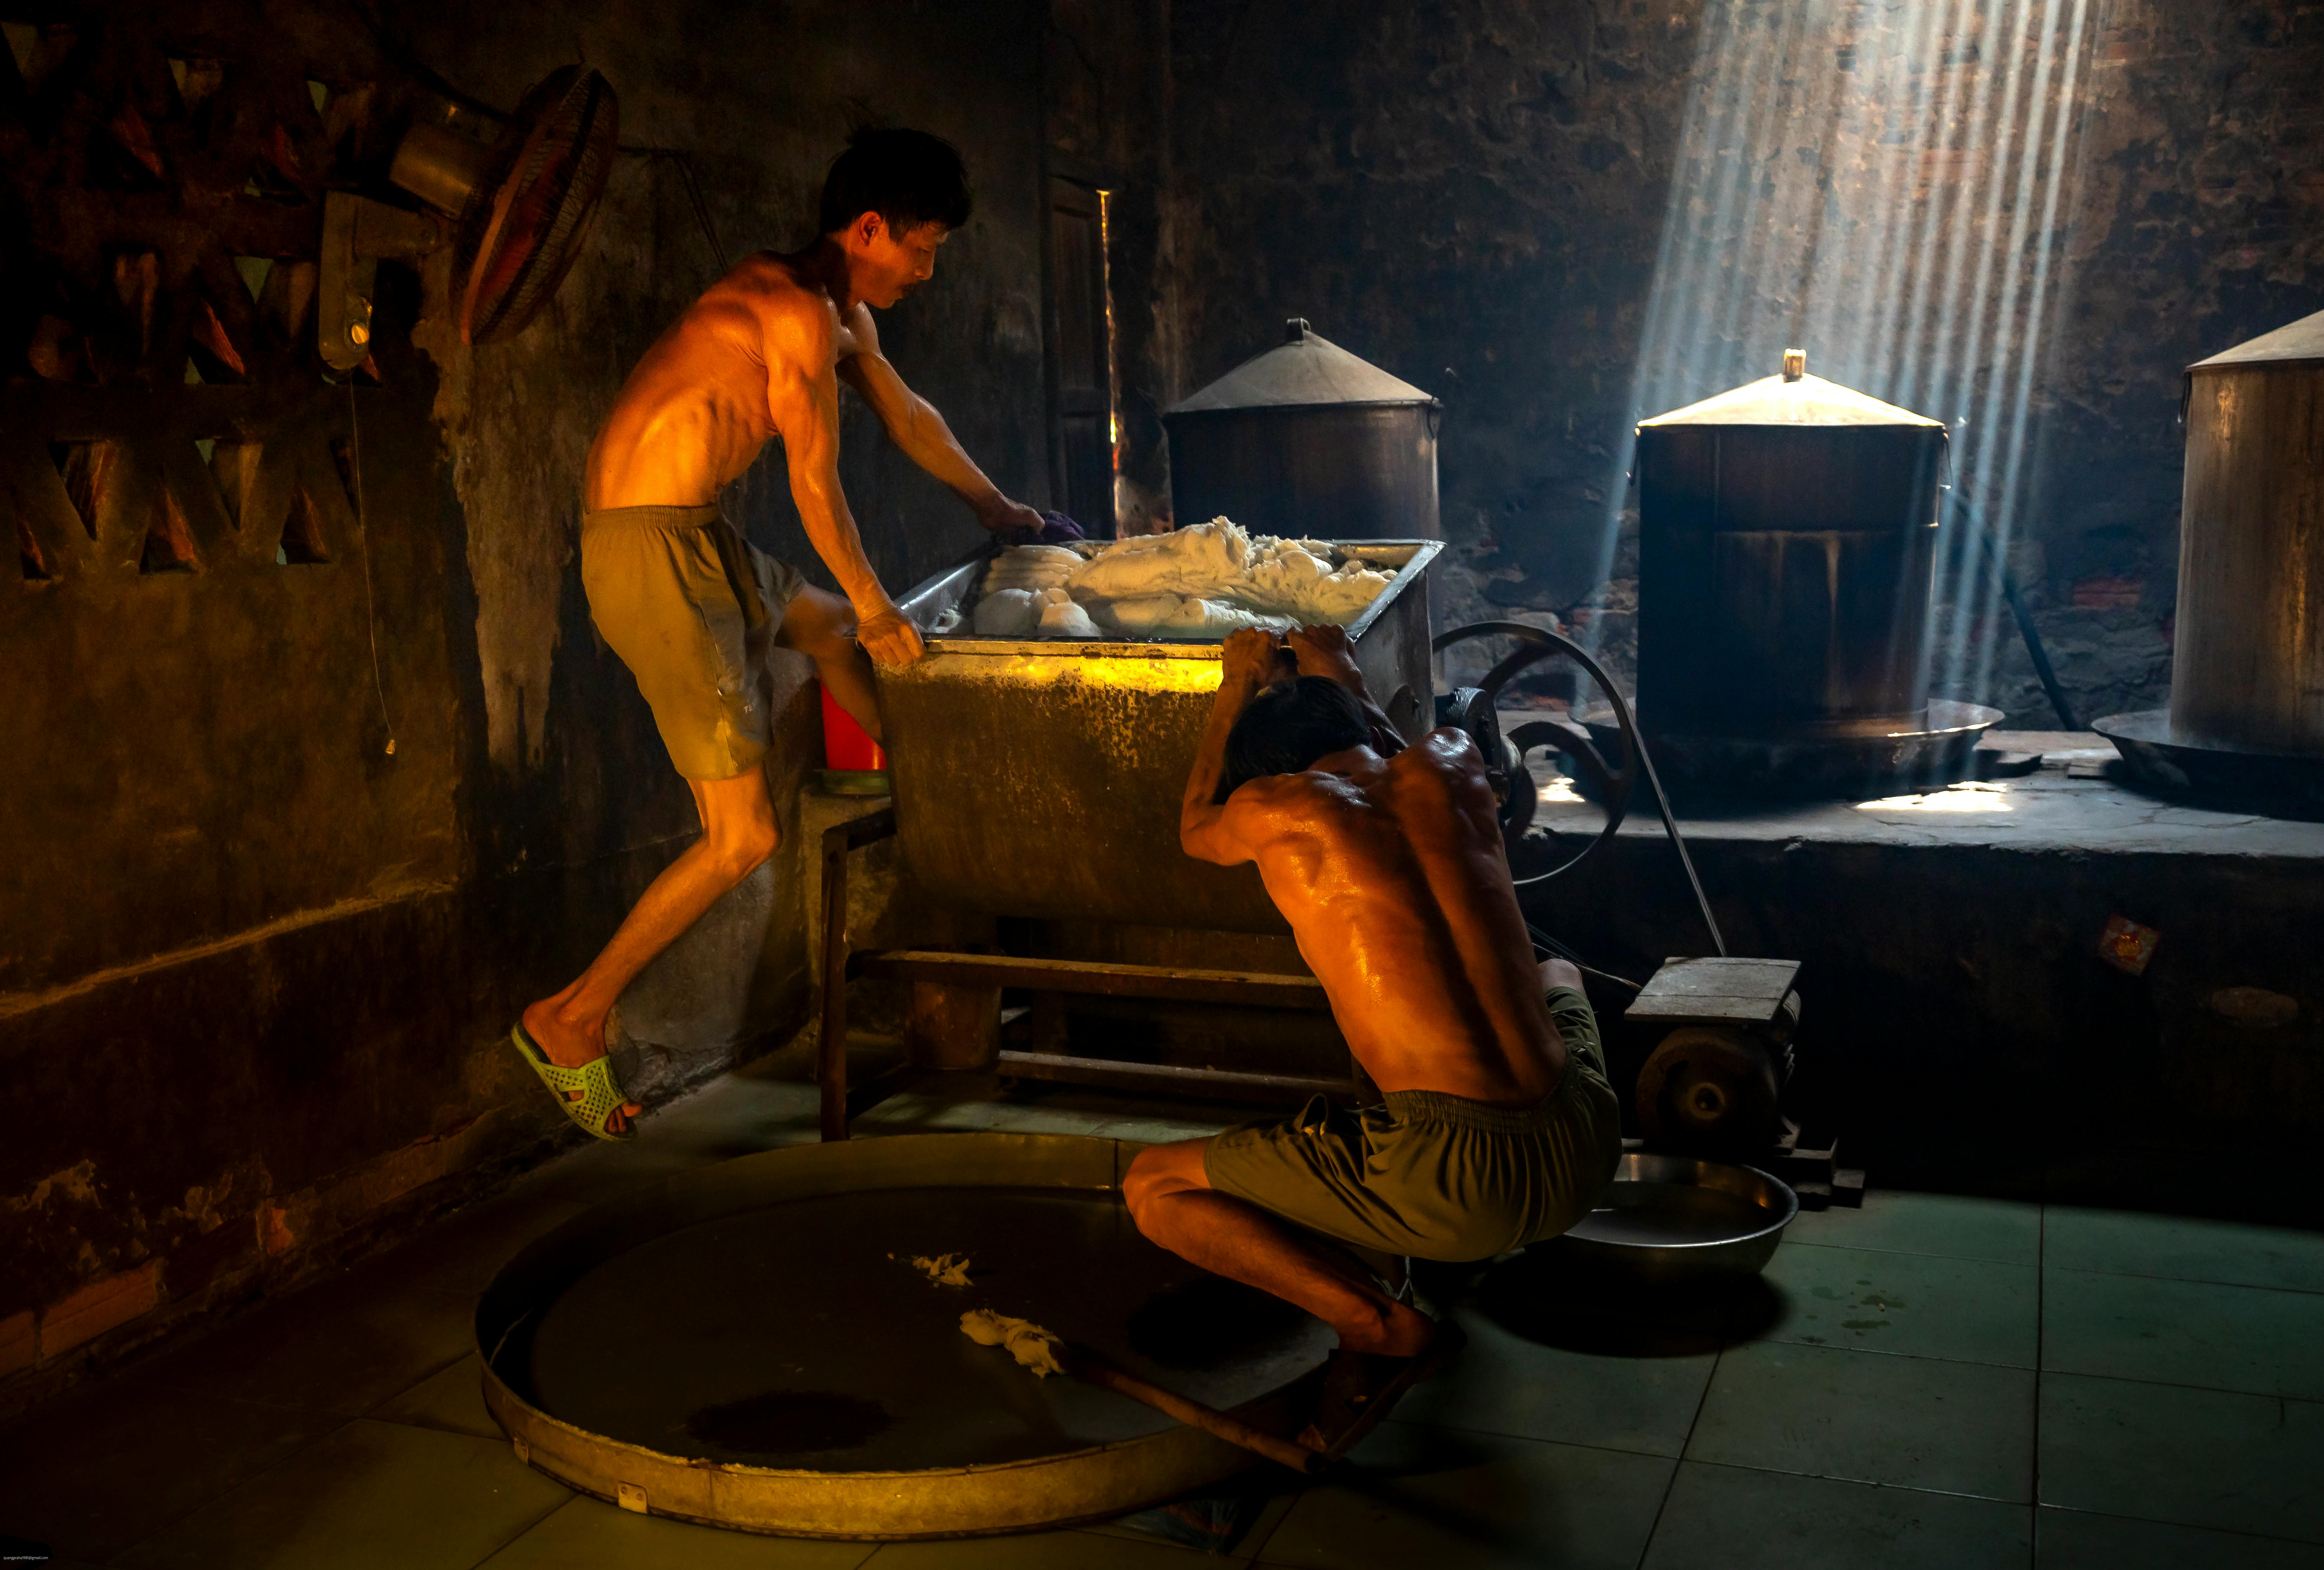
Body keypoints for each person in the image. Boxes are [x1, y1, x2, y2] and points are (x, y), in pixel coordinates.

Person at [512, 127, 1043, 1140]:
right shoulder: (790, 312)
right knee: (745, 836)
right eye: (922, 250)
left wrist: (1000, 509)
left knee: (833, 631)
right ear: (871, 229)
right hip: (649, 553)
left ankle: (941, 801)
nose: (927, 272)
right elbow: (812, 478)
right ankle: (570, 1016)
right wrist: (887, 601)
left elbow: (910, 419)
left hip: (696, 537)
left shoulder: (840, 317)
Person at [1122, 626, 1622, 1456]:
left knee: (1152, 1188)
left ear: (1270, 772)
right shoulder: (1458, 762)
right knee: (1559, 977)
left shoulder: (1270, 809)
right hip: (1586, 1143)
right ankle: (1414, 1256)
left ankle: (1379, 1324)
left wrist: (1233, 687)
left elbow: (1194, 827)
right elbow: (1391, 757)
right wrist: (1341, 671)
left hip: (1454, 1182)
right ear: (1360, 723)